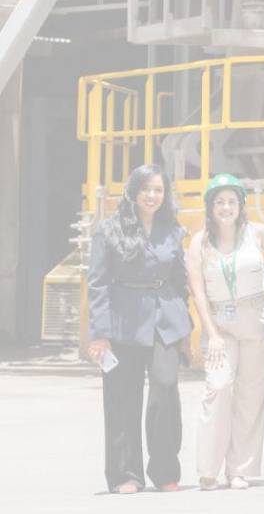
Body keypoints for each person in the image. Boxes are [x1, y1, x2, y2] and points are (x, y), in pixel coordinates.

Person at [87, 164, 191, 494]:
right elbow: (98, 284)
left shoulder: (172, 230)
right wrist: (100, 334)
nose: (152, 195)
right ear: (133, 191)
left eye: (158, 189)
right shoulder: (109, 230)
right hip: (123, 321)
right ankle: (125, 475)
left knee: (165, 387)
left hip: (165, 319)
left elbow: (180, 281)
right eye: (146, 188)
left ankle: (164, 469)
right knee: (122, 397)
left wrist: (185, 329)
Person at [188, 173, 264, 489]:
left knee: (251, 395)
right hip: (220, 323)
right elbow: (198, 292)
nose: (226, 207)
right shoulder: (200, 242)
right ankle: (208, 469)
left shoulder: (259, 234)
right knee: (219, 387)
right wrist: (211, 333)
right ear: (210, 207)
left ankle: (239, 469)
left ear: (241, 205)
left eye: (231, 201)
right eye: (219, 202)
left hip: (255, 319)